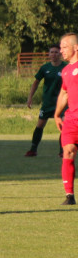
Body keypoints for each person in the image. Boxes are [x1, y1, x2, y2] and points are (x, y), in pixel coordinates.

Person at [25, 45, 65, 157]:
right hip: (47, 103)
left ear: (60, 54)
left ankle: (62, 151)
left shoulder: (65, 67)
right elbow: (36, 83)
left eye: (56, 52)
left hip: (62, 103)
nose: (53, 54)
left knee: (64, 126)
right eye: (51, 52)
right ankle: (33, 149)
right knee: (40, 125)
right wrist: (30, 98)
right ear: (48, 54)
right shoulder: (44, 68)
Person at [53, 33, 78, 206]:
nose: (61, 51)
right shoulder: (66, 70)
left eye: (64, 47)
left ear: (76, 47)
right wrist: (56, 114)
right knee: (67, 152)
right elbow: (64, 93)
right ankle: (69, 195)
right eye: (60, 47)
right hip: (71, 119)